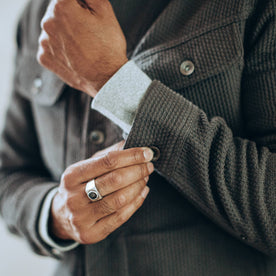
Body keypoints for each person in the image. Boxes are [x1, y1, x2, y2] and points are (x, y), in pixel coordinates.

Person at [0, 0, 275, 275]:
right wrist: (57, 214)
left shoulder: (253, 7)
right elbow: (9, 176)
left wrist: (114, 83)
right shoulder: (41, 12)